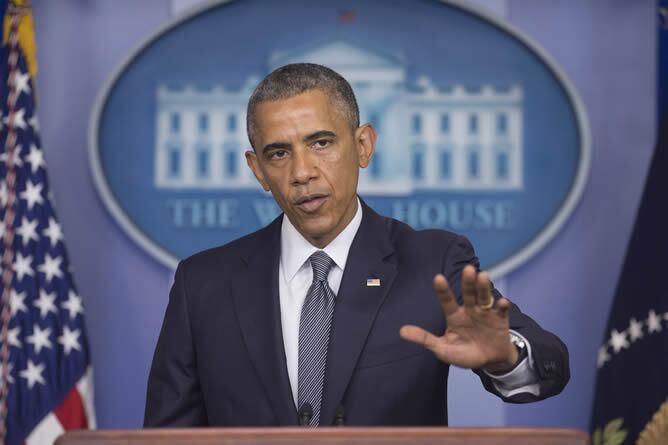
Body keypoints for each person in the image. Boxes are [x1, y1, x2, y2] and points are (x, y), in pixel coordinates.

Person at [144, 63, 569, 427]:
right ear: (257, 170)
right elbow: (168, 434)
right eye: (278, 153)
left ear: (363, 145)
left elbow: (550, 365)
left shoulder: (432, 262)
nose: (303, 172)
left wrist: (505, 358)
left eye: (321, 143)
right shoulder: (202, 284)